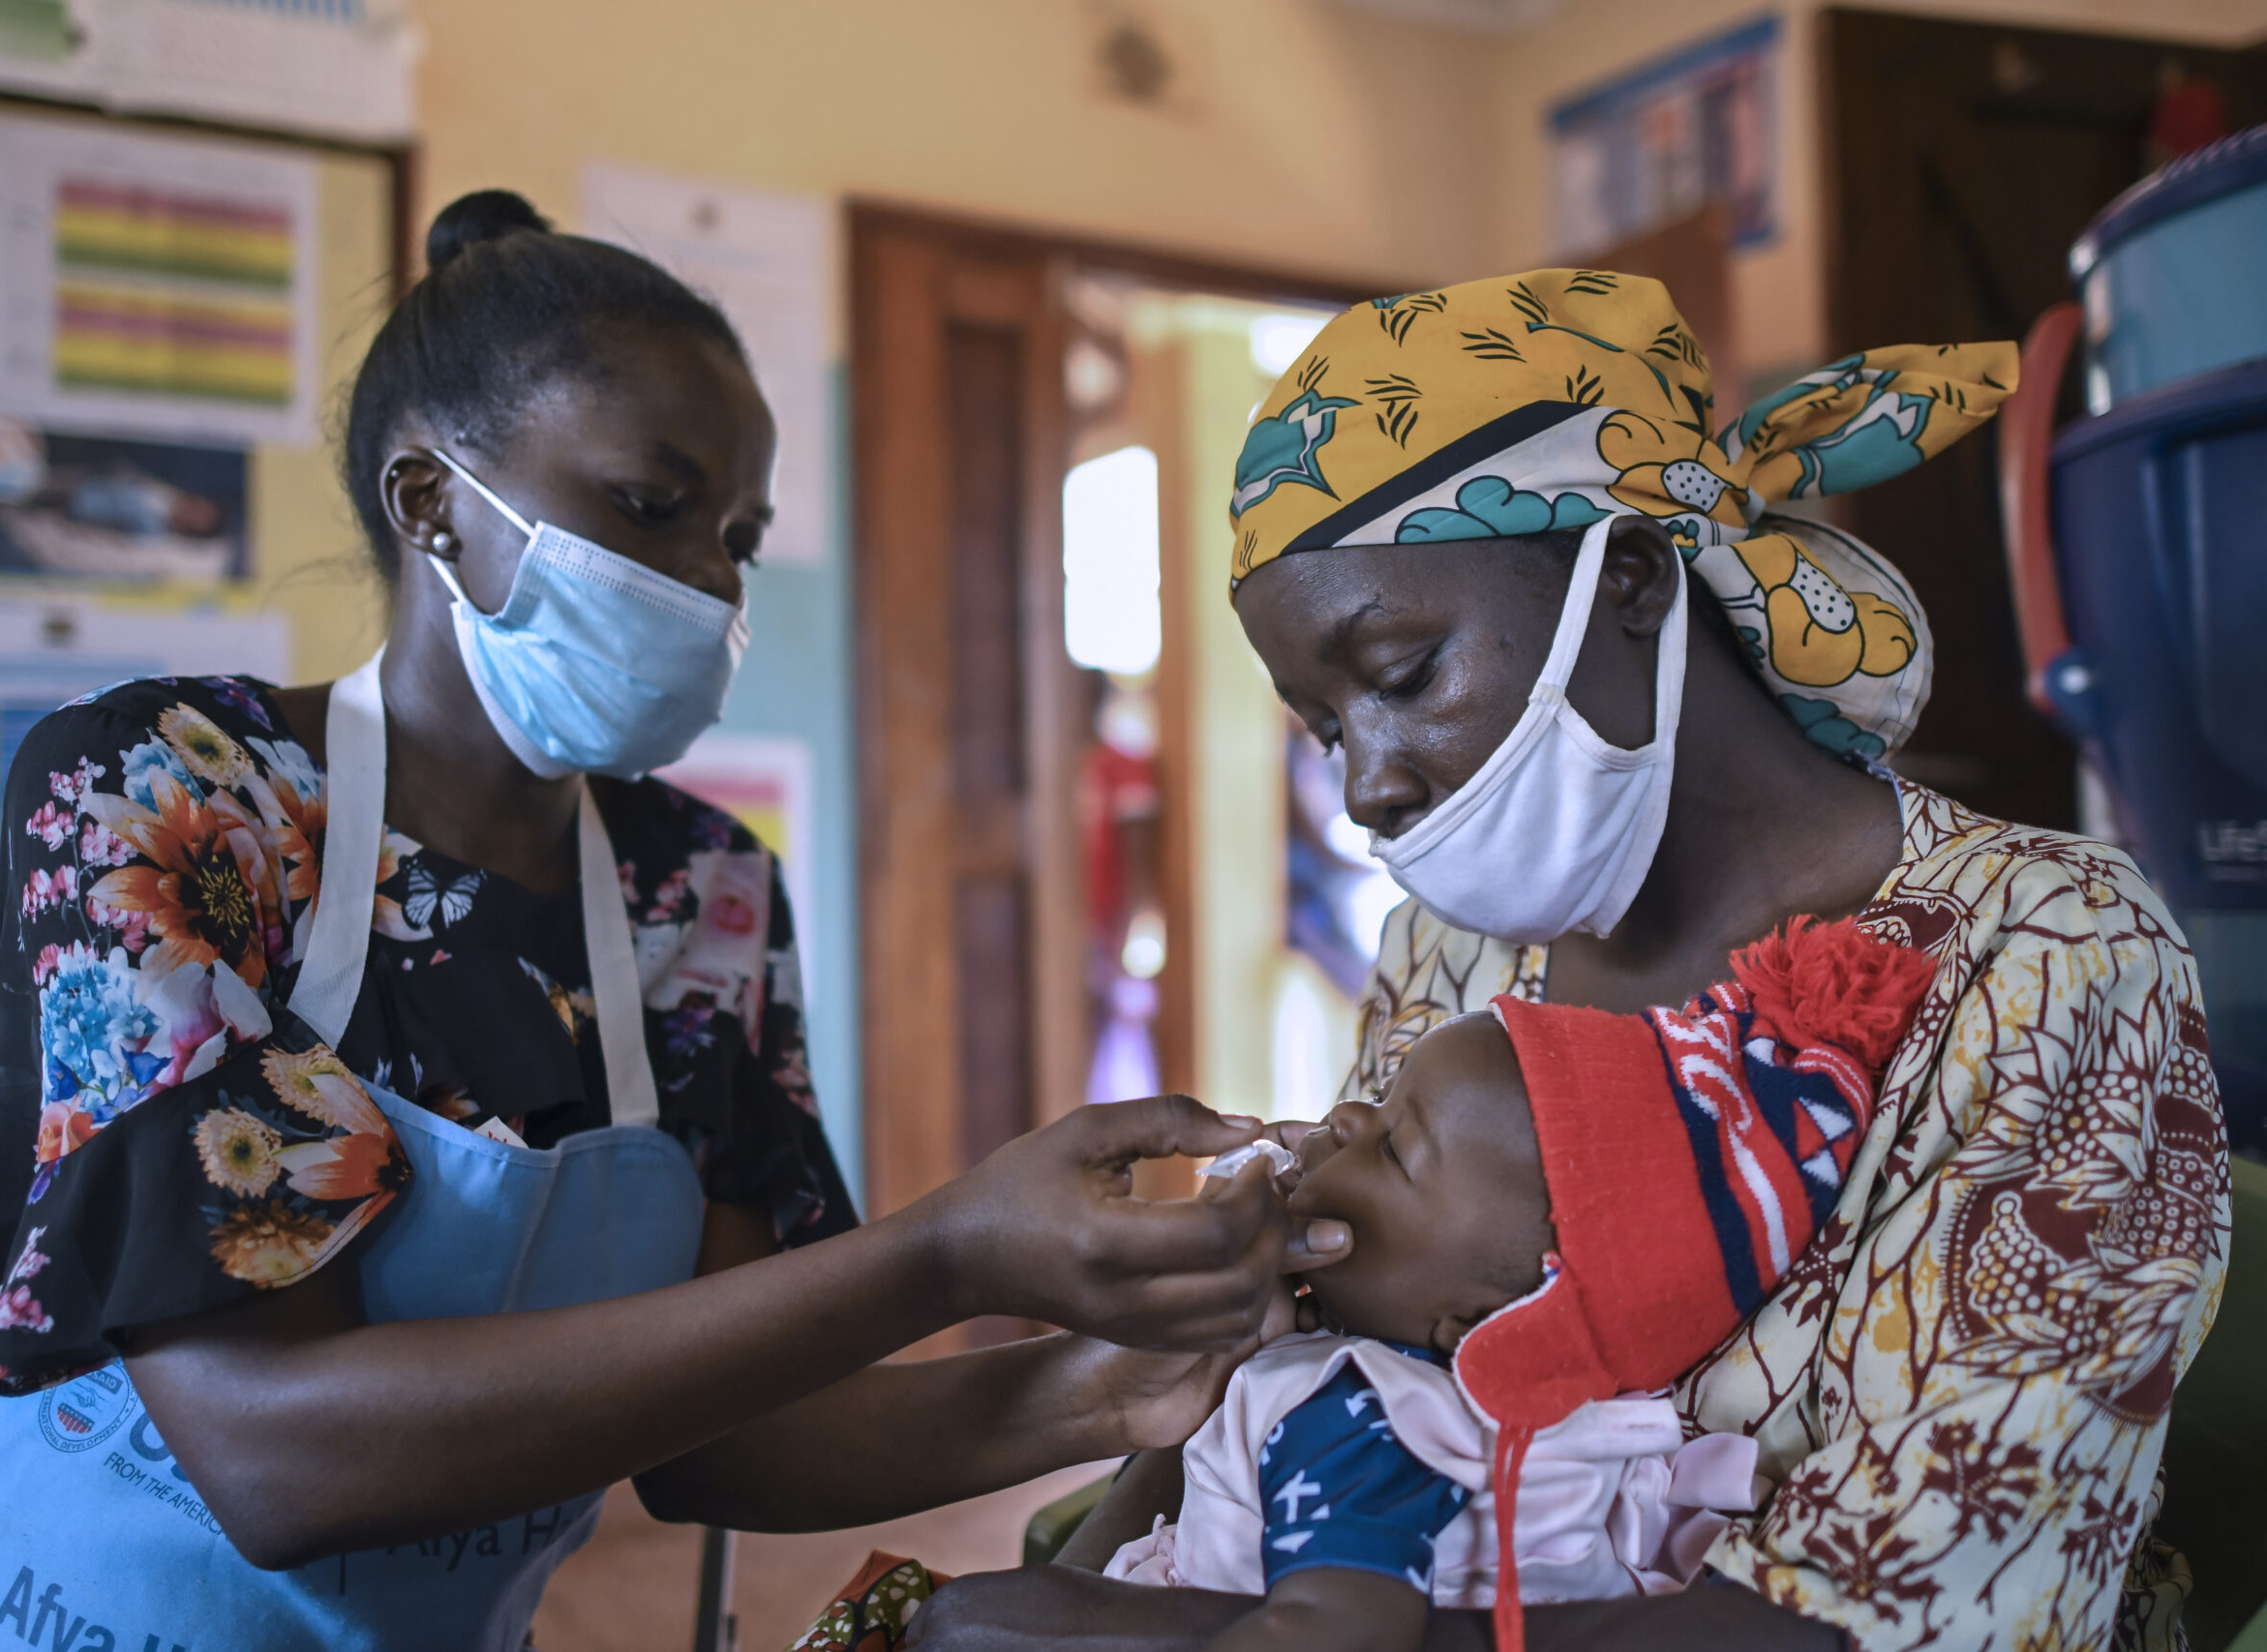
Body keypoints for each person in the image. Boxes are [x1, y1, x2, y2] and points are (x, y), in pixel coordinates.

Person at [0, 192, 1344, 1650]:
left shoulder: (700, 892)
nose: (703, 582)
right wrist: (945, 1254)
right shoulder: (169, 792)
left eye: (734, 536)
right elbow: (276, 1455)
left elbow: (731, 1431)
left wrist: (1122, 1375)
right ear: (432, 504)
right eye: (652, 504)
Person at [908, 271, 2229, 1652]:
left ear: (1636, 582)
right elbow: (1329, 1349)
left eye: (1404, 670)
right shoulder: (1461, 943)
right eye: (1320, 725)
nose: (1364, 784)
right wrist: (1117, 1581)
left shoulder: (2045, 947)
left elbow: (1913, 1603)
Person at [1102, 917, 1935, 1652]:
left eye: (1394, 1146)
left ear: (1482, 1324)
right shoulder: (1465, 1409)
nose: (1348, 1114)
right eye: (1384, 1099)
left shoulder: (1364, 1414)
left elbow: (1337, 1627)